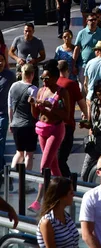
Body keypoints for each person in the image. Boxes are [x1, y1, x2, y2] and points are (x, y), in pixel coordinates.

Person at [28, 60, 70, 213]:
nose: (44, 81)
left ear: (54, 77)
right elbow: (35, 114)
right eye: (42, 79)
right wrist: (33, 104)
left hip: (55, 129)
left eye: (46, 78)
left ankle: (39, 200)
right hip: (42, 129)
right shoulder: (41, 91)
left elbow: (66, 115)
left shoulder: (62, 92)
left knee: (44, 165)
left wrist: (51, 107)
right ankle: (63, 193)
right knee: (53, 166)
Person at [56, 60, 88, 178]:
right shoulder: (71, 84)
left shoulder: (52, 82)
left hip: (53, 124)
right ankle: (68, 182)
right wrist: (87, 118)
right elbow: (82, 104)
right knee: (62, 158)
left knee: (57, 157)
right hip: (67, 125)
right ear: (67, 70)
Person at [8, 63, 37, 171]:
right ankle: (26, 181)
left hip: (16, 124)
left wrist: (11, 122)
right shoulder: (33, 89)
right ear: (32, 74)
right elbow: (35, 110)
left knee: (19, 152)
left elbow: (10, 107)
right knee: (29, 154)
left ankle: (10, 174)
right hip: (29, 125)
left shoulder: (13, 86)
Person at [37, 177, 78, 248]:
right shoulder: (47, 222)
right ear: (61, 196)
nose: (73, 195)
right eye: (71, 192)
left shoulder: (66, 216)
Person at [10, 22, 46, 87]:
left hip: (32, 68)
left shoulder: (38, 41)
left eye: (30, 31)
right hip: (21, 67)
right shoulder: (18, 40)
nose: (27, 33)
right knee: (20, 86)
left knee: (33, 86)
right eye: (26, 31)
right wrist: (17, 59)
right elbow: (10, 52)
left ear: (33, 31)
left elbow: (43, 56)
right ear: (23, 31)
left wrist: (35, 60)